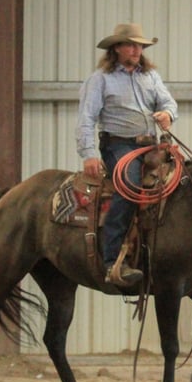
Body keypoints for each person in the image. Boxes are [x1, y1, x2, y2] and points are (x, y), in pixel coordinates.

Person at [75, 23, 178, 287]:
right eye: (131, 44)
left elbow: (168, 102)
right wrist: (89, 154)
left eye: (140, 45)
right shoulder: (100, 79)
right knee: (128, 186)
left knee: (182, 178)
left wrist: (167, 114)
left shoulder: (150, 77)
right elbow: (87, 117)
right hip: (118, 145)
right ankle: (111, 262)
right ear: (116, 48)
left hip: (150, 145)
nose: (137, 49)